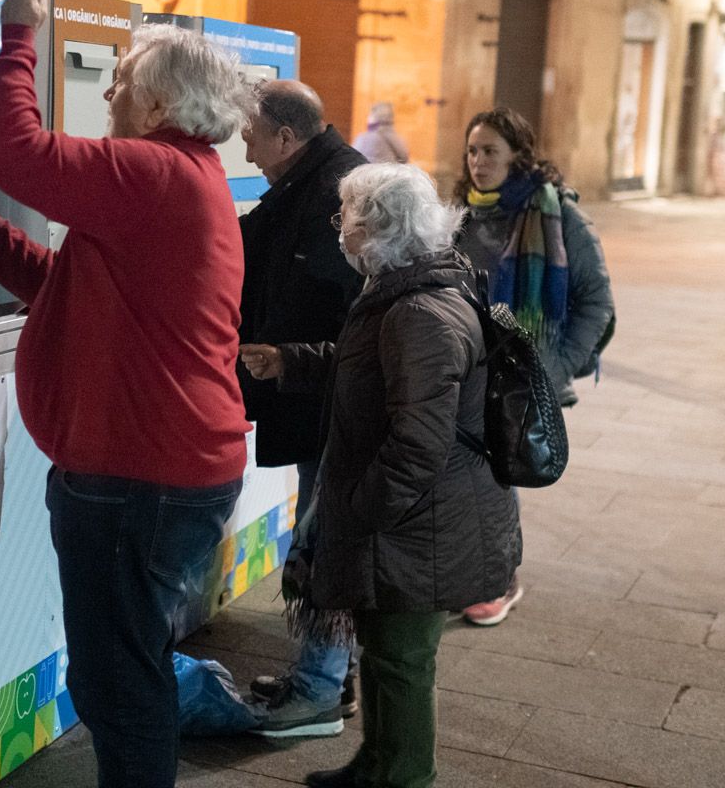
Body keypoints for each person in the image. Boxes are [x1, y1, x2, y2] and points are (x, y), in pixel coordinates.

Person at [0, 0, 253, 788]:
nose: (106, 92)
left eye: (121, 81)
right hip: (159, 472)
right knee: (123, 673)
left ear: (157, 106)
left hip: (139, 478)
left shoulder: (155, 172)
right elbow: (59, 287)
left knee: (117, 685)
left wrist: (17, 35)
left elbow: (17, 153)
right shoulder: (180, 180)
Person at [240, 164, 520, 788]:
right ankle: (378, 762)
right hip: (417, 518)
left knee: (401, 660)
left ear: (380, 227)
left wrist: (354, 513)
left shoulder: (419, 309)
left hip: (417, 524)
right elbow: (373, 369)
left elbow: (417, 447)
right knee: (388, 654)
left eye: (347, 218)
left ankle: (403, 774)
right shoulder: (408, 290)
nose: (340, 230)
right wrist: (292, 361)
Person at [236, 81, 366, 737]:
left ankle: (317, 689)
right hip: (318, 395)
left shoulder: (338, 192)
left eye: (251, 132)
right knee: (319, 535)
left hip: (332, 403)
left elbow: (349, 316)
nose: (244, 144)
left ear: (288, 138)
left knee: (320, 542)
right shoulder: (310, 184)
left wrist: (288, 360)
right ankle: (330, 677)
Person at [451, 106, 613, 626]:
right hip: (461, 365)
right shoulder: (457, 211)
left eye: (490, 151)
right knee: (463, 472)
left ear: (518, 156)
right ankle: (465, 570)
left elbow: (596, 300)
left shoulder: (556, 213)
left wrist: (559, 363)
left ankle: (500, 579)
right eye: (472, 151)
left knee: (500, 472)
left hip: (521, 372)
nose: (478, 161)